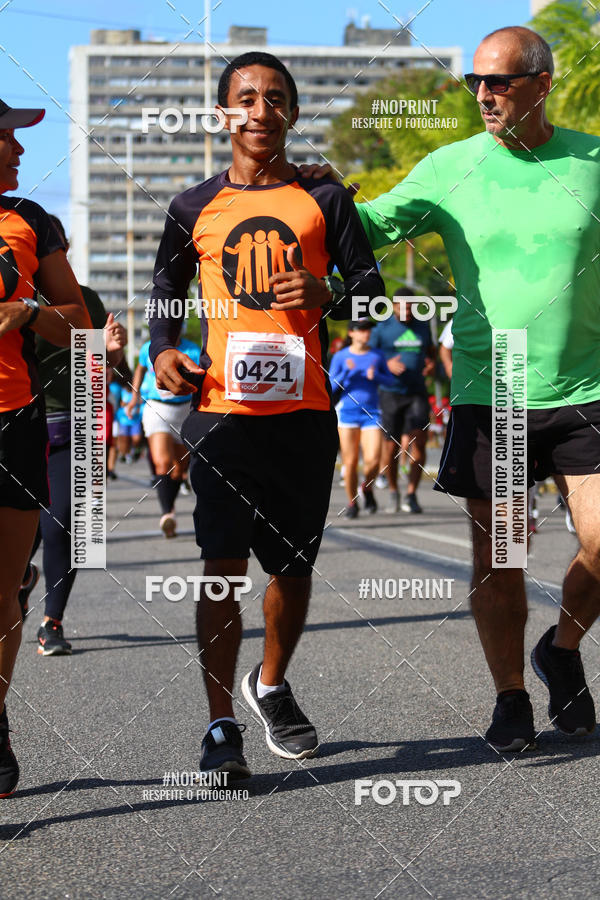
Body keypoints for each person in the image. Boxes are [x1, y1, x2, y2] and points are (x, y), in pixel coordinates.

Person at [303, 25, 600, 752]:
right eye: (476, 82)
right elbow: (371, 226)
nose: (484, 94)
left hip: (585, 387)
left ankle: (561, 649)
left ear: (542, 83)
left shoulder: (591, 160)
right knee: (500, 556)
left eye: (499, 81)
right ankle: (511, 697)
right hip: (490, 392)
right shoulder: (451, 168)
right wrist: (328, 198)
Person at [148, 51, 384, 777]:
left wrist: (329, 294)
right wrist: (161, 350)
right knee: (221, 568)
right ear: (224, 112)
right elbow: (166, 288)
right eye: (245, 97)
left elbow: (373, 294)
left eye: (275, 98)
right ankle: (221, 727)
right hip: (220, 413)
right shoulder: (191, 207)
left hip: (305, 412)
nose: (260, 109)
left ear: (291, 113)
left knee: (292, 567)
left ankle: (270, 684)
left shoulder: (327, 199)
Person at [0, 101, 91, 795]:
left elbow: (80, 324)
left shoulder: (32, 221)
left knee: (4, 596)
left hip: (14, 421)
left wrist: (28, 311)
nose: (19, 151)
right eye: (7, 138)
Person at [20, 214, 126, 654]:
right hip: (23, 424)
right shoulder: (15, 298)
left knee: (66, 524)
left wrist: (113, 355)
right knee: (27, 530)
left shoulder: (87, 301)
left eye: (58, 248)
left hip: (79, 424)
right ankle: (23, 576)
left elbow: (101, 374)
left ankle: (52, 623)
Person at [126, 329, 201, 538]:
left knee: (178, 469)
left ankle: (171, 507)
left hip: (185, 409)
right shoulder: (148, 349)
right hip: (156, 407)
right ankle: (167, 514)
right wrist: (134, 397)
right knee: (162, 463)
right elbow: (140, 370)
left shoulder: (192, 350)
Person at [370, 298, 436, 514]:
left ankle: (411, 494)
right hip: (390, 393)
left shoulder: (422, 327)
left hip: (416, 392)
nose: (406, 311)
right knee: (391, 448)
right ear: (393, 307)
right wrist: (386, 364)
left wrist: (431, 364)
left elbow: (431, 351)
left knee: (420, 441)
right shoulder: (383, 327)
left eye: (410, 307)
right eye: (401, 307)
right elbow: (368, 356)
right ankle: (393, 492)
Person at [329, 319, 397, 517]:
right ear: (351, 333)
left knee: (374, 460)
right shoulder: (341, 356)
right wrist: (345, 373)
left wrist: (376, 375)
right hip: (348, 413)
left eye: (368, 330)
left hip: (371, 413)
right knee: (349, 464)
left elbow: (390, 381)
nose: (366, 333)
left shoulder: (376, 355)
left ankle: (366, 488)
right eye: (361, 330)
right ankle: (352, 503)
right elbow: (331, 386)